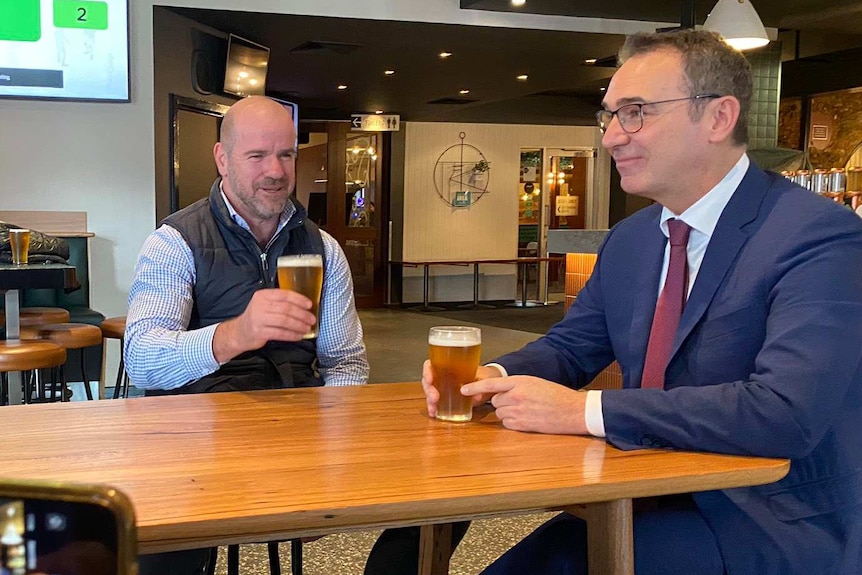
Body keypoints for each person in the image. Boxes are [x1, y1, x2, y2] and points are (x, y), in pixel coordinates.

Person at [422, 30, 862, 575]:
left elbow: (786, 413)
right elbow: (571, 346)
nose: (610, 138)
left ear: (719, 117)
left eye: (635, 113)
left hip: (766, 521)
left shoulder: (818, 236)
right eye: (608, 116)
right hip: (638, 491)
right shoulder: (632, 238)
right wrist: (489, 375)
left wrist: (583, 411)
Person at [125, 95, 369, 574]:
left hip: (293, 440)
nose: (275, 170)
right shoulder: (175, 241)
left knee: (426, 494)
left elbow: (347, 361)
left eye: (286, 155)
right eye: (257, 156)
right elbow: (141, 357)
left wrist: (327, 445)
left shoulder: (323, 247)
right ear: (222, 158)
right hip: (193, 446)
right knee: (163, 549)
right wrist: (234, 334)